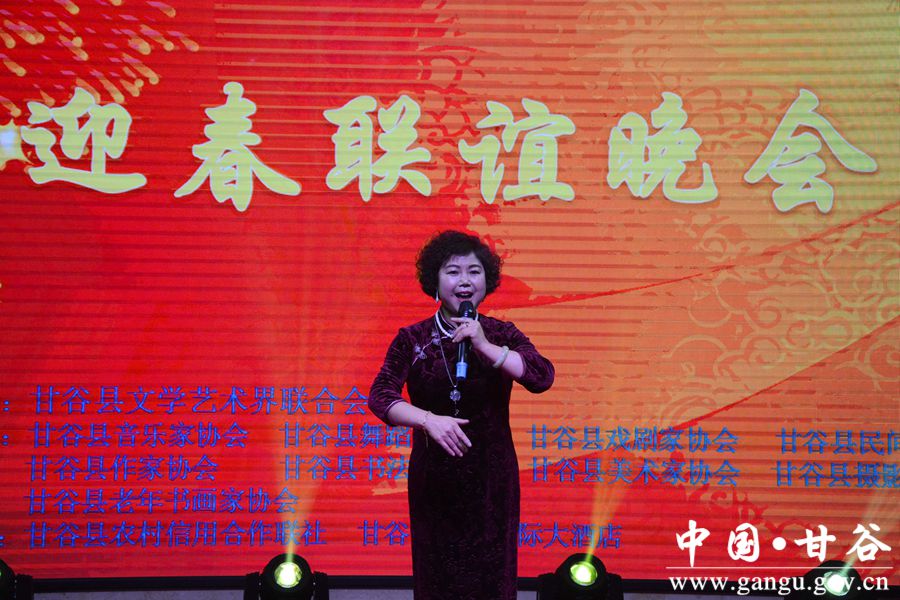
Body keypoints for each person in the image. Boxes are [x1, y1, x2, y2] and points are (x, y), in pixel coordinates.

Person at [368, 230, 555, 600]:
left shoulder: (501, 333)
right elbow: (380, 396)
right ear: (435, 283)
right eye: (453, 272)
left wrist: (485, 345)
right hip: (435, 480)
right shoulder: (413, 338)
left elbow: (541, 376)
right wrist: (428, 420)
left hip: (492, 481)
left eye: (474, 271)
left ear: (487, 281)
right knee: (437, 579)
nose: (465, 281)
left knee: (493, 580)